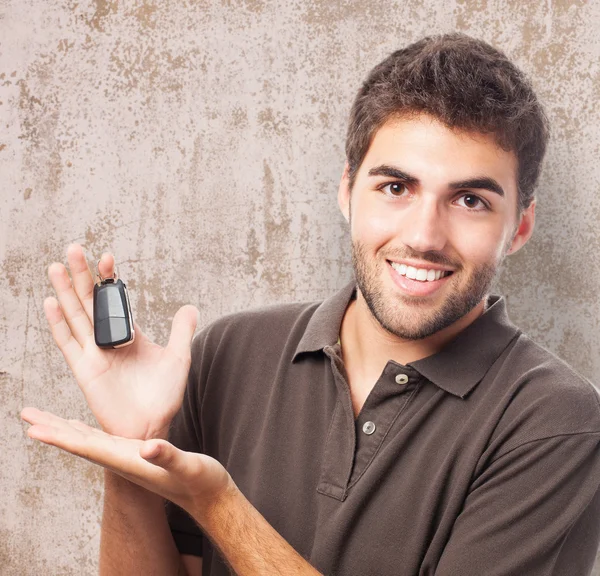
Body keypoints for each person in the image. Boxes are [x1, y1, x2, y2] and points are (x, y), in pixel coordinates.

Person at [21, 33, 600, 575]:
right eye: (395, 188)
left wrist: (218, 502)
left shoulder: (556, 423)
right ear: (347, 191)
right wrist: (132, 459)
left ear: (520, 226)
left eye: (470, 199)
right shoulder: (230, 352)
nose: (425, 235)